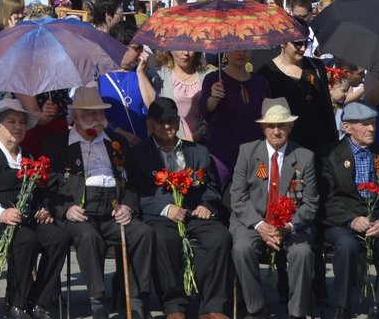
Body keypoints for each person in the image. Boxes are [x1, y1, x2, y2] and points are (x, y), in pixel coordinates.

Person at [43, 87, 153, 319]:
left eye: (99, 114)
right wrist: (65, 209)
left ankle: (135, 298)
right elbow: (48, 189)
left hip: (113, 210)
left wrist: (128, 206)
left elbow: (132, 181)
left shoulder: (117, 142)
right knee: (88, 236)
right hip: (79, 212)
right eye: (90, 114)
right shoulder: (57, 145)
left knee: (143, 233)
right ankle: (97, 301)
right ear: (75, 116)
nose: (97, 119)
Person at [126, 97, 231, 319]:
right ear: (150, 124)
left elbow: (212, 187)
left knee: (219, 237)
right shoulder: (139, 154)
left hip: (194, 212)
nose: (168, 126)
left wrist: (206, 204)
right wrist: (166, 208)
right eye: (162, 121)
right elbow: (136, 192)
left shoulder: (199, 151)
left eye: (172, 120)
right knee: (164, 238)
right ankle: (174, 306)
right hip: (161, 215)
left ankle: (211, 307)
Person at [0, 98, 68, 319]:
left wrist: (42, 209)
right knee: (25, 239)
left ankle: (37, 301)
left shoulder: (27, 157)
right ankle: (15, 304)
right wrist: (1, 213)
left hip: (24, 220)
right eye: (12, 122)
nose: (18, 127)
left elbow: (37, 193)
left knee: (58, 237)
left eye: (22, 122)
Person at [229, 98, 319, 319]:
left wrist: (288, 227)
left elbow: (310, 202)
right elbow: (238, 196)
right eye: (271, 125)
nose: (276, 131)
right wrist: (260, 226)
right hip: (253, 220)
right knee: (241, 248)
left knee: (303, 252)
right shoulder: (247, 152)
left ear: (290, 126)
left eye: (282, 125)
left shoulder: (304, 157)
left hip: (291, 224)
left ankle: (297, 313)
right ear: (262, 127)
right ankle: (257, 309)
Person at [321, 102, 379, 319]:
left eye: (373, 123)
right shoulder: (329, 156)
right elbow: (327, 198)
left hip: (377, 220)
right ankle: (344, 306)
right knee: (347, 245)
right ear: (347, 127)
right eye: (365, 124)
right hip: (343, 222)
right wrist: (350, 220)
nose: (371, 128)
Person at [257, 28, 337, 156]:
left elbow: (326, 107)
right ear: (283, 42)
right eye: (297, 44)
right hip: (289, 147)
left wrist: (333, 143)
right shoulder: (267, 73)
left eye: (306, 43)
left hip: (322, 146)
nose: (303, 48)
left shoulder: (316, 66)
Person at [201, 49, 270, 185]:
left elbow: (267, 117)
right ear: (226, 50)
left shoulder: (260, 82)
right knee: (220, 201)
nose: (241, 53)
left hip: (254, 156)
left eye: (245, 48)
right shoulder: (213, 79)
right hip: (222, 156)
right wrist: (214, 97)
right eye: (235, 49)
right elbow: (206, 110)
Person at [151, 50, 209, 142]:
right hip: (171, 144)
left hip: (203, 144)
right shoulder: (157, 76)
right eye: (181, 47)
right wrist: (141, 73)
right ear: (170, 50)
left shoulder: (208, 75)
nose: (186, 52)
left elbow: (214, 113)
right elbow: (151, 106)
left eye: (190, 48)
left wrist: (201, 132)